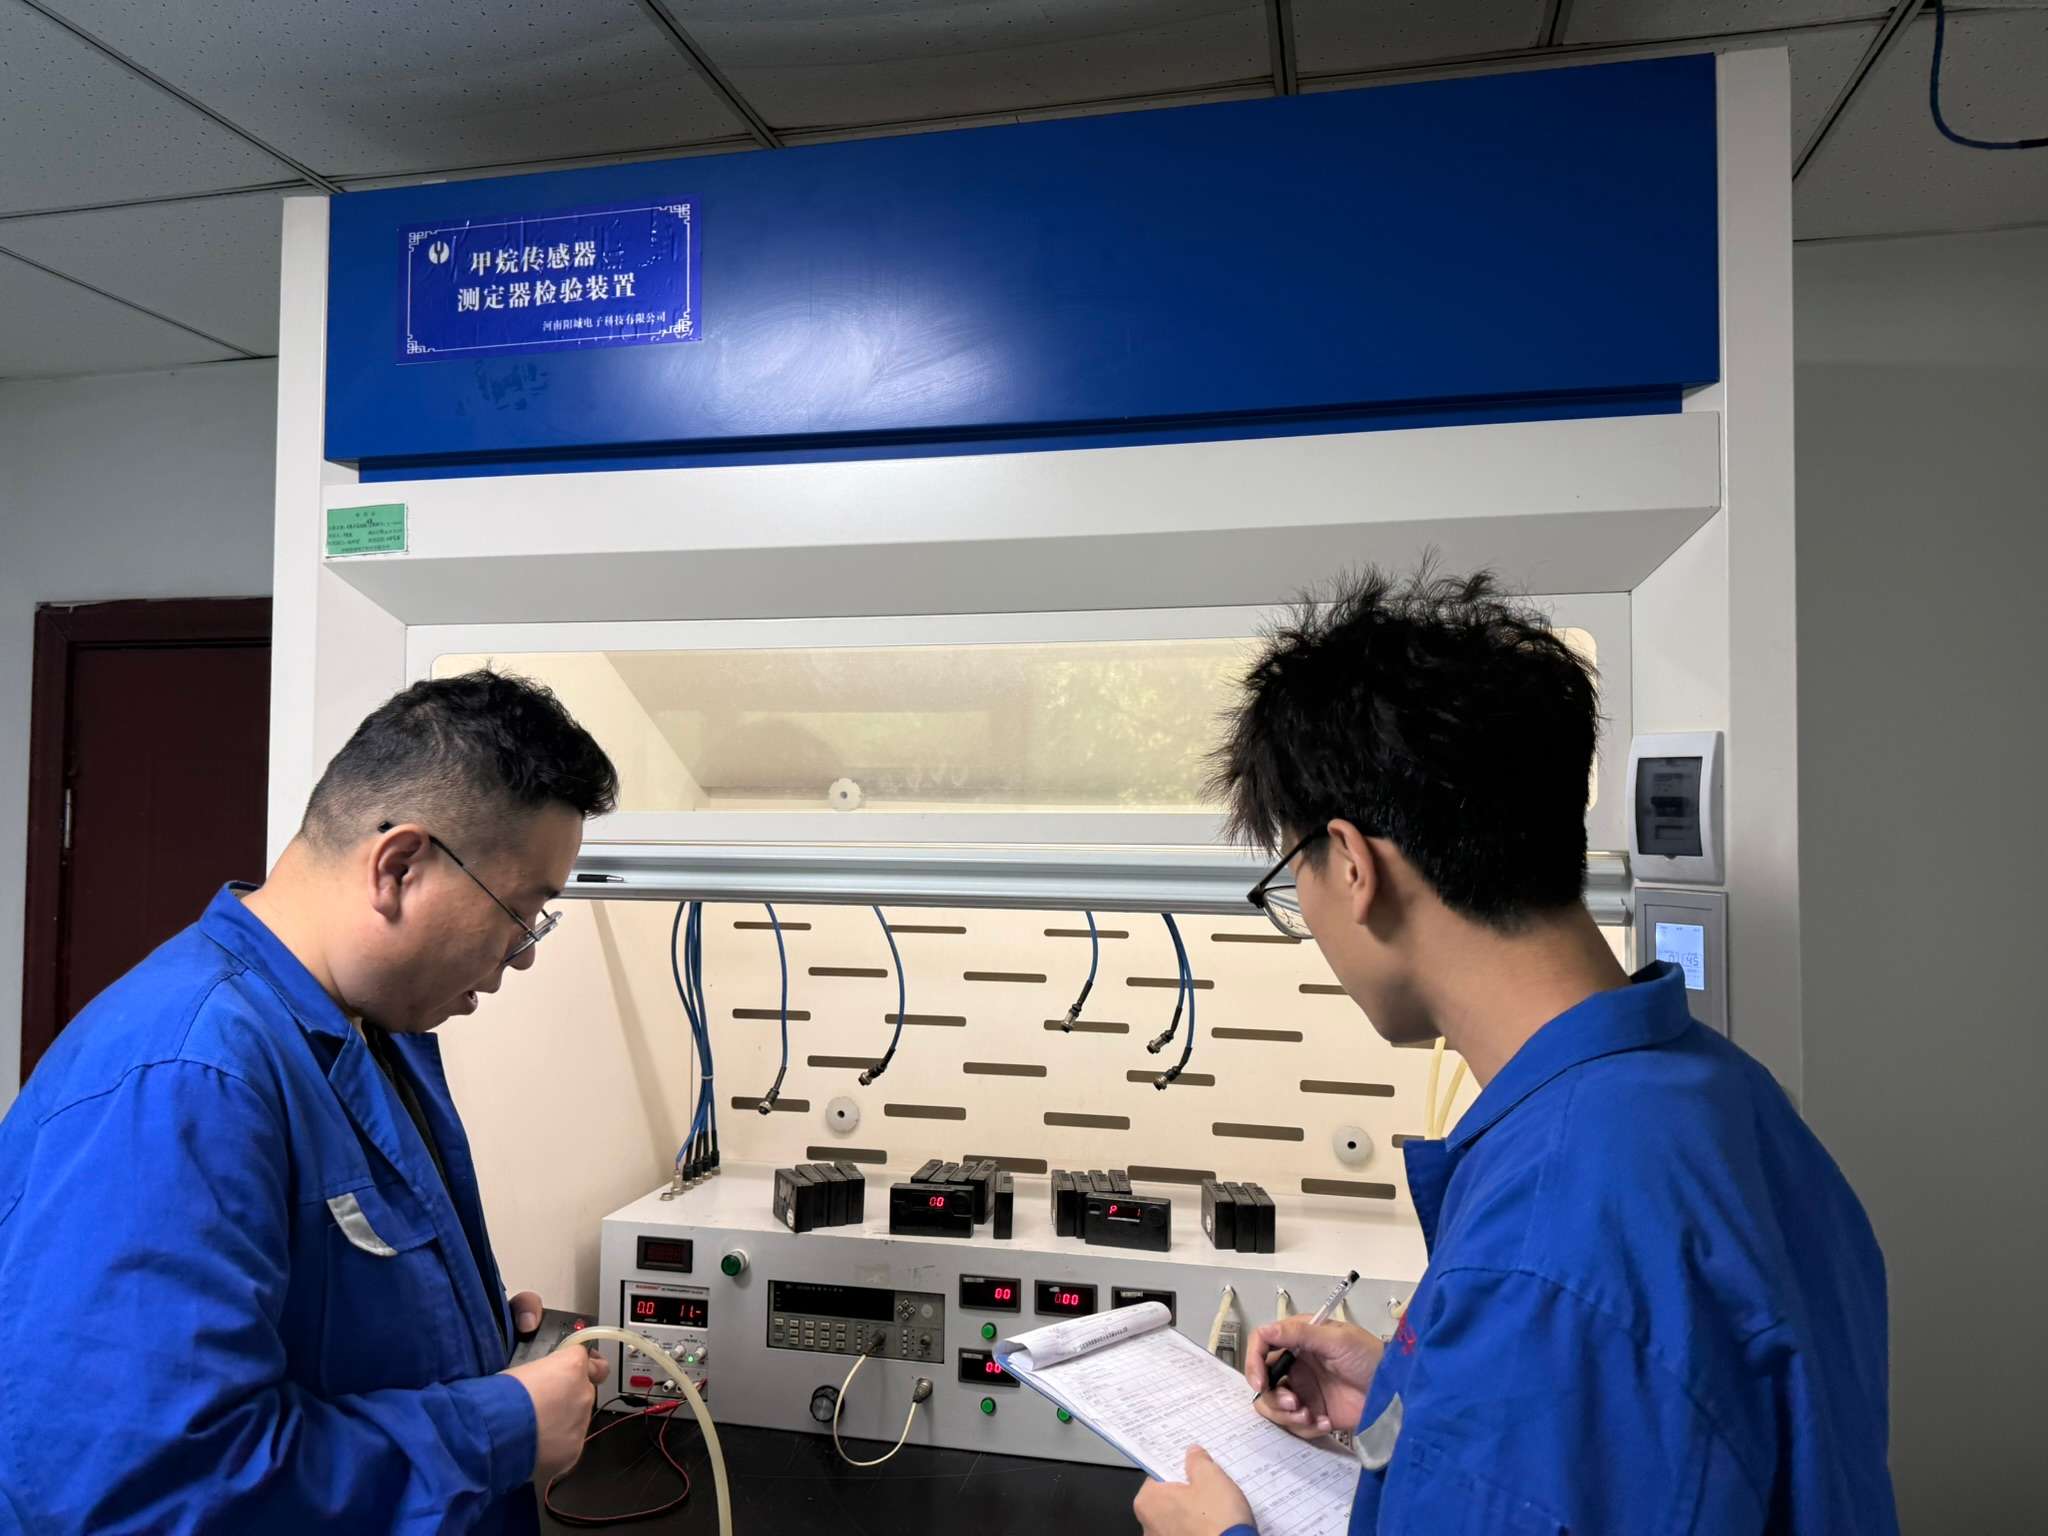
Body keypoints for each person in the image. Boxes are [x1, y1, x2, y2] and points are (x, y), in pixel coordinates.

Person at [1135, 569, 1897, 1536]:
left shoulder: (1541, 1251)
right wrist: (1412, 1397)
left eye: (1295, 880)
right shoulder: (1725, 1097)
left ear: (1355, 866)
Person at [0, 671, 622, 1534]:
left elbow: (315, 1323)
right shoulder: (187, 1075)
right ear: (399, 867)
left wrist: (474, 1342)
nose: (522, 956)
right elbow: (153, 1493)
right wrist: (498, 1427)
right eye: (521, 914)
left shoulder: (362, 1032)